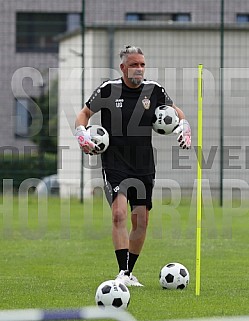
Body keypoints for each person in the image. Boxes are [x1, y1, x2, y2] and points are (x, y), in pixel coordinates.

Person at [74, 45, 191, 287]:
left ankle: (129, 272)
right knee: (119, 214)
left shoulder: (154, 90)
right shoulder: (109, 89)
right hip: (115, 162)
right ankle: (122, 271)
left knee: (141, 222)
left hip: (143, 164)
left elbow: (177, 113)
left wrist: (185, 127)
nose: (139, 69)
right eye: (134, 64)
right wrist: (81, 134)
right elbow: (84, 114)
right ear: (123, 67)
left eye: (142, 65)